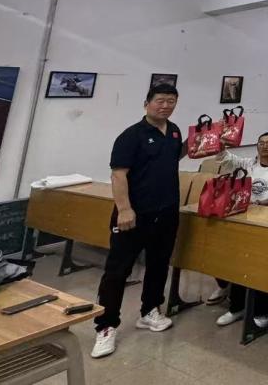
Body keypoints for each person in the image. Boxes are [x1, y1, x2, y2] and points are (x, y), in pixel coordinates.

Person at [91, 85, 184, 359]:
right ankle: (106, 325)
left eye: (171, 101)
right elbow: (118, 175)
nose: (165, 106)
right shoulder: (131, 136)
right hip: (134, 214)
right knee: (117, 270)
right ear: (146, 103)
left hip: (166, 212)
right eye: (160, 101)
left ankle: (150, 310)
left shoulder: (174, 131)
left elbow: (173, 156)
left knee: (159, 264)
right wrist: (124, 209)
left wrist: (201, 144)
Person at [214, 132, 268, 328]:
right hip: (244, 221)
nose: (264, 146)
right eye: (261, 143)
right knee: (236, 261)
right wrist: (220, 146)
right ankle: (237, 306)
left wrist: (257, 203)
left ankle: (264, 310)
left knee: (262, 266)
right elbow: (226, 158)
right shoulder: (248, 164)